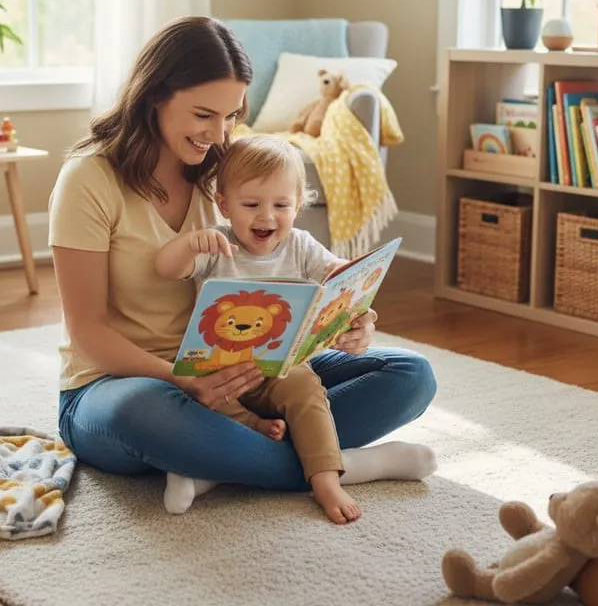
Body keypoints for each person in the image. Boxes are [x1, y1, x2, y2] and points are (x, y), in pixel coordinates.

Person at [49, 15, 438, 524]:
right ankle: (341, 464)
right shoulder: (89, 179)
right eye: (204, 115)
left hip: (241, 370)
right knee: (145, 415)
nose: (219, 134)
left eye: (232, 115)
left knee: (411, 375)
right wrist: (184, 382)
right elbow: (88, 334)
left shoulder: (226, 172)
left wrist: (348, 319)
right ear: (154, 96)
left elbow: (278, 276)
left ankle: (232, 459)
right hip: (120, 385)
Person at [155, 134, 434, 523]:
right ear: (223, 204)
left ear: (299, 205)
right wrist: (188, 245)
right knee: (185, 395)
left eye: (281, 205)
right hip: (220, 375)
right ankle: (314, 453)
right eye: (251, 205)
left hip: (283, 371)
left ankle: (323, 479)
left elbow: (340, 273)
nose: (266, 217)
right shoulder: (218, 246)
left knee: (307, 388)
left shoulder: (301, 246)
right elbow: (164, 268)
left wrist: (356, 304)